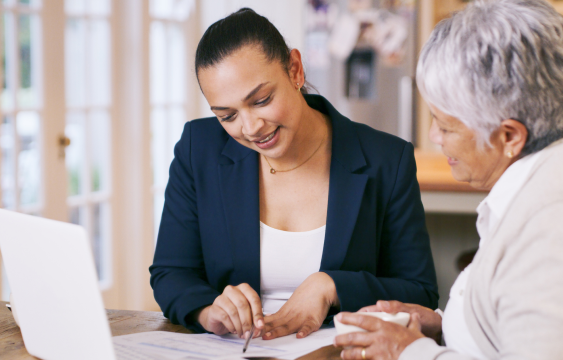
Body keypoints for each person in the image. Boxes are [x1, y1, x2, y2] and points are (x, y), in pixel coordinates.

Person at [333, 0, 563, 359]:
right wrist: (440, 324)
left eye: (445, 125)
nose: (434, 136)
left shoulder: (558, 220)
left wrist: (409, 352)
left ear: (510, 136)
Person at [149, 8, 439, 341]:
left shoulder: (386, 159)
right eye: (227, 116)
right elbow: (171, 273)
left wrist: (331, 286)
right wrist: (208, 311)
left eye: (262, 100)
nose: (251, 128)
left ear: (295, 70)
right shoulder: (197, 149)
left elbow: (420, 293)